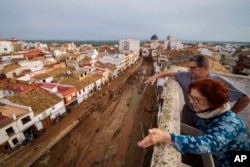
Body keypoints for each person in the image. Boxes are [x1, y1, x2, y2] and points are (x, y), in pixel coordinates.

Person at [138, 78, 249, 167]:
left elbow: (207, 144)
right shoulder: (206, 112)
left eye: (197, 99)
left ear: (213, 101)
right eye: (191, 97)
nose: (191, 102)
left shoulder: (230, 124)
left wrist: (167, 137)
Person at [144, 54, 250, 127]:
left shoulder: (218, 81)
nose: (189, 70)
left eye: (193, 68)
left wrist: (231, 114)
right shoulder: (186, 76)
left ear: (205, 68)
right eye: (189, 67)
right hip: (188, 114)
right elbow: (169, 73)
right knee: (186, 134)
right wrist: (155, 76)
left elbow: (245, 98)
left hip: (209, 117)